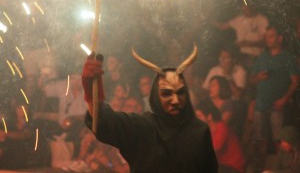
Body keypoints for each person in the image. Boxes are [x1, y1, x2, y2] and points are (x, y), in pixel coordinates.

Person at [82, 45, 218, 172]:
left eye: (180, 92)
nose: (176, 100)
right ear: (156, 96)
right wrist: (92, 89)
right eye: (167, 93)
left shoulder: (200, 131)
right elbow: (104, 122)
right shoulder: (143, 127)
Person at [250, 24, 300, 171]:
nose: (267, 39)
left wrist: (284, 99)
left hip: (278, 106)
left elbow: (296, 81)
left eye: (271, 36)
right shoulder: (262, 57)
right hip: (260, 105)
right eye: (266, 36)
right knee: (261, 140)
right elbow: (251, 80)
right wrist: (257, 77)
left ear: (280, 38)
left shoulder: (288, 58)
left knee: (280, 142)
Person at [195, 104, 245, 173]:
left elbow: (213, 150)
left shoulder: (221, 127)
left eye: (199, 116)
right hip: (221, 165)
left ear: (209, 117)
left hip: (233, 167)